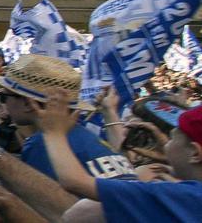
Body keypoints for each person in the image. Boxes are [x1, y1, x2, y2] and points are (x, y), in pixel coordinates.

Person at [38, 87, 202, 221]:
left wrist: (54, 132)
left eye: (172, 138)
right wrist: (109, 110)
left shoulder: (182, 195)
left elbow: (74, 182)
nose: (165, 143)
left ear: (195, 153)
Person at [0, 54, 134, 181]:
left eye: (4, 97)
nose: (4, 105)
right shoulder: (85, 137)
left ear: (28, 104)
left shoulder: (43, 144)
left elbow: (44, 205)